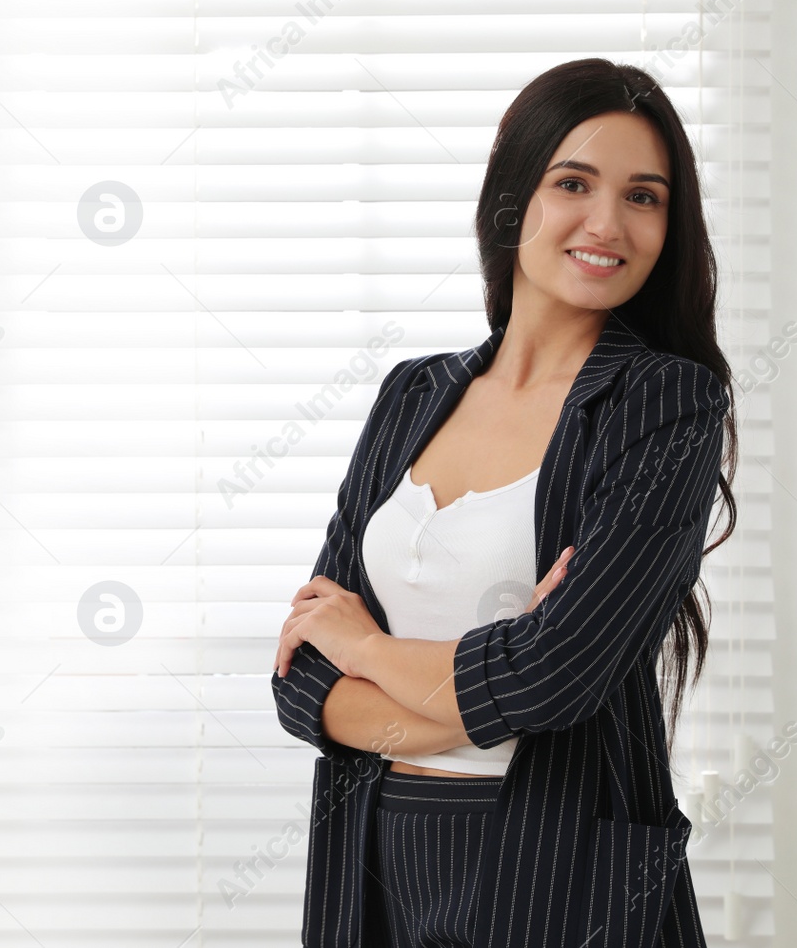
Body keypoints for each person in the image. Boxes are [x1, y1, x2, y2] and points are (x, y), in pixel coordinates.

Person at [271, 58, 740, 948]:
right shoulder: (413, 393)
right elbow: (300, 674)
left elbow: (557, 675)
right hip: (374, 861)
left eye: (644, 196)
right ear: (513, 194)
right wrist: (479, 686)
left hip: (559, 871)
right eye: (575, 182)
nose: (608, 222)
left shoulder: (664, 404)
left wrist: (368, 647)